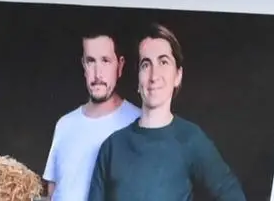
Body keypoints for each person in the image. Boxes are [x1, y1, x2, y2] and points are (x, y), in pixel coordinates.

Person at [89, 25, 248, 201]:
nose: (154, 75)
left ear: (178, 76)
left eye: (163, 62)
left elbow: (231, 194)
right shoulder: (112, 147)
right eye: (146, 64)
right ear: (138, 79)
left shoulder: (191, 139)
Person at [45, 26, 141, 201]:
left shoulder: (138, 123)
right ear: (83, 65)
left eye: (105, 61)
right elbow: (53, 191)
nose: (97, 74)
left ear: (120, 66)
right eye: (91, 61)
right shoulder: (65, 124)